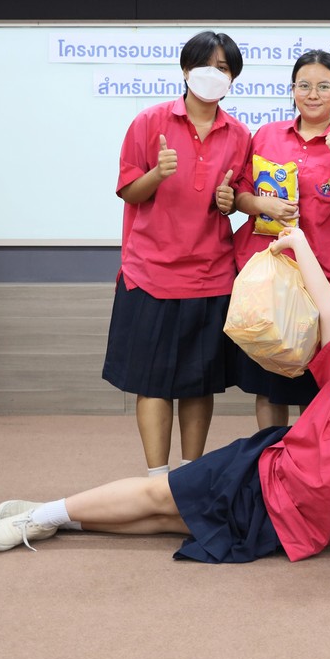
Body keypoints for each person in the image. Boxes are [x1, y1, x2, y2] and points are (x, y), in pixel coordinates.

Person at [0, 228, 330, 586]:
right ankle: (44, 515)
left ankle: (54, 518)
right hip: (260, 470)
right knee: (161, 497)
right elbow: (328, 306)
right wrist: (298, 242)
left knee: (173, 519)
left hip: (287, 517)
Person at [101, 31, 251, 477]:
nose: (213, 74)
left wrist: (229, 202)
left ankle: (189, 475)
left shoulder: (239, 134)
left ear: (233, 78)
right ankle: (156, 479)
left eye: (223, 68)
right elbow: (128, 190)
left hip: (211, 276)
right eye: (205, 65)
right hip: (150, 274)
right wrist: (158, 174)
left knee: (198, 383)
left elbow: (236, 198)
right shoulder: (149, 122)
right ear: (185, 70)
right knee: (152, 383)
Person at [232, 50, 330, 429]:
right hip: (268, 279)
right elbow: (240, 196)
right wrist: (261, 203)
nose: (313, 94)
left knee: (316, 387)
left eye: (324, 86)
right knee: (268, 388)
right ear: (293, 89)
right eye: (304, 85)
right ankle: (270, 457)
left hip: (318, 283)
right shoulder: (267, 135)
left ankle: (306, 460)